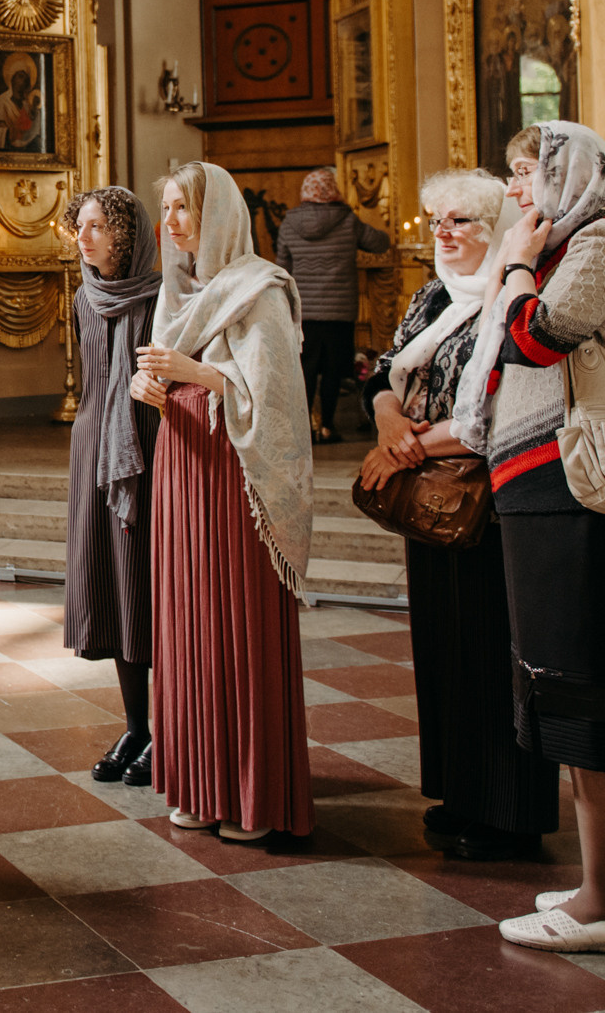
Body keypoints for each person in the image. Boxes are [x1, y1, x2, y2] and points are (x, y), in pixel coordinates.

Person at [453, 122, 605, 955]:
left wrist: (510, 264)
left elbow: (532, 335)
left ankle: (600, 903)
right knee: (581, 686)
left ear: (565, 175)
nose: (514, 190)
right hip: (549, 493)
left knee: (592, 691)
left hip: (581, 496)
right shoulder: (573, 247)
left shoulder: (604, 244)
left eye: (523, 171)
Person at [357, 171, 558, 863]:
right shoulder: (433, 297)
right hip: (431, 493)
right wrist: (390, 423)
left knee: (490, 654)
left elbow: (498, 410)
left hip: (494, 502)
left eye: (463, 221)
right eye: (438, 219)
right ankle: (460, 792)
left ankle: (507, 813)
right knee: (444, 651)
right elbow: (387, 374)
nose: (444, 232)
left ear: (498, 227)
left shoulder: (517, 297)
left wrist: (407, 448)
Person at [136, 161, 316, 845]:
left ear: (218, 216)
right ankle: (197, 784)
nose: (172, 223)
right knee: (187, 630)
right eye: (170, 208)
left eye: (184, 208)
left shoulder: (257, 289)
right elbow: (167, 373)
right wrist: (148, 388)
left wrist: (192, 374)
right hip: (184, 473)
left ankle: (248, 794)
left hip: (234, 485)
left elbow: (274, 402)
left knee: (231, 626)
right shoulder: (179, 292)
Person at [60, 186, 161, 788]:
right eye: (81, 225)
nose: (84, 235)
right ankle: (135, 726)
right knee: (114, 588)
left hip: (147, 452)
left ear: (125, 235)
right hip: (92, 453)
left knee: (149, 590)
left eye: (97, 226)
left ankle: (167, 730)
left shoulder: (164, 297)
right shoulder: (83, 295)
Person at [275, 167, 391, 442]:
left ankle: (302, 429)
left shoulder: (290, 222)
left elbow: (282, 267)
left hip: (303, 312)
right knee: (332, 372)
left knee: (303, 370)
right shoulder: (348, 219)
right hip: (339, 311)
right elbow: (380, 244)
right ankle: (327, 426)